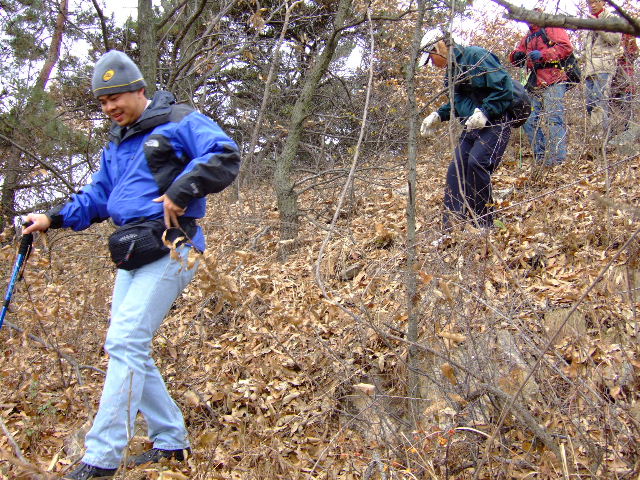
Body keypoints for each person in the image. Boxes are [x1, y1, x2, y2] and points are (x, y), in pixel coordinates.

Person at [23, 50, 241, 480]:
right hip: (133, 249)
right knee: (124, 344)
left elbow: (224, 153)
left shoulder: (177, 120)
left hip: (173, 245)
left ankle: (102, 457)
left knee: (126, 341)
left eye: (116, 97)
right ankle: (172, 440)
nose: (110, 107)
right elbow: (98, 197)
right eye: (103, 101)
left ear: (140, 90)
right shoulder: (118, 144)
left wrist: (181, 189)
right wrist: (51, 217)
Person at [420, 30, 514, 229]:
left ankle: (484, 224)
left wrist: (486, 111)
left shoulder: (476, 56)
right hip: (472, 126)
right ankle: (452, 227)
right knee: (456, 169)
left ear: (439, 47)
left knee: (477, 162)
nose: (432, 64)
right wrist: (438, 115)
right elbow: (457, 103)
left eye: (430, 58)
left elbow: (505, 89)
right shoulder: (450, 74)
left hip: (497, 120)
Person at [509, 17, 574, 165]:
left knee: (554, 118)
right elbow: (516, 54)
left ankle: (558, 160)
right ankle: (541, 158)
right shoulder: (528, 36)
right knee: (528, 119)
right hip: (534, 82)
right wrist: (515, 56)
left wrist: (543, 55)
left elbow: (566, 47)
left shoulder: (552, 28)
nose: (529, 21)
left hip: (554, 78)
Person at [582, 0, 622, 130]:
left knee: (598, 102)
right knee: (589, 104)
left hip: (604, 65)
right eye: (589, 3)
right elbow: (586, 48)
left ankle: (600, 135)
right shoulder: (588, 22)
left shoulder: (612, 18)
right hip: (589, 69)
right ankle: (602, 132)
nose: (592, 5)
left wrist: (598, 27)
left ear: (603, 2)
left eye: (595, 2)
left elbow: (614, 39)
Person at [610, 33, 639, 144]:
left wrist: (623, 53)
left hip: (625, 81)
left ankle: (625, 143)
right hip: (610, 82)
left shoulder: (627, 34)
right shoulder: (607, 34)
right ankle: (611, 142)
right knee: (611, 113)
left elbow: (634, 53)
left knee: (625, 113)